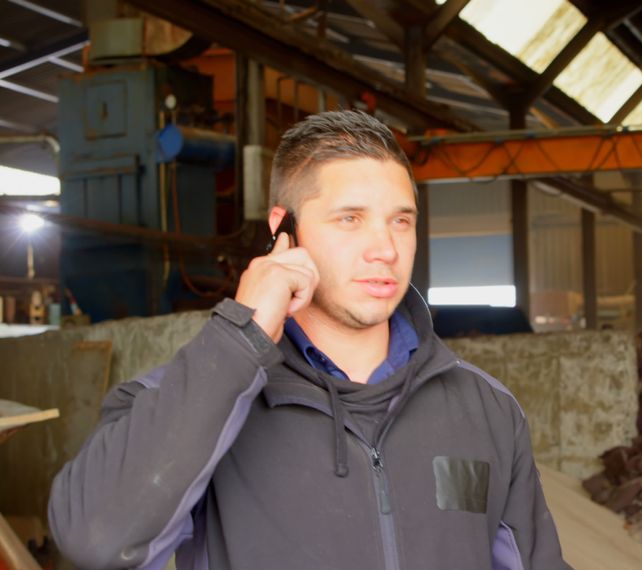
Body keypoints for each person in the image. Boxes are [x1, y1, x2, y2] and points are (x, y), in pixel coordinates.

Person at [48, 110, 568, 569]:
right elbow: (96, 539)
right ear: (284, 231)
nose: (384, 248)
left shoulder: (486, 409)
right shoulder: (197, 401)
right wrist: (238, 339)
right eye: (350, 219)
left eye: (400, 221)